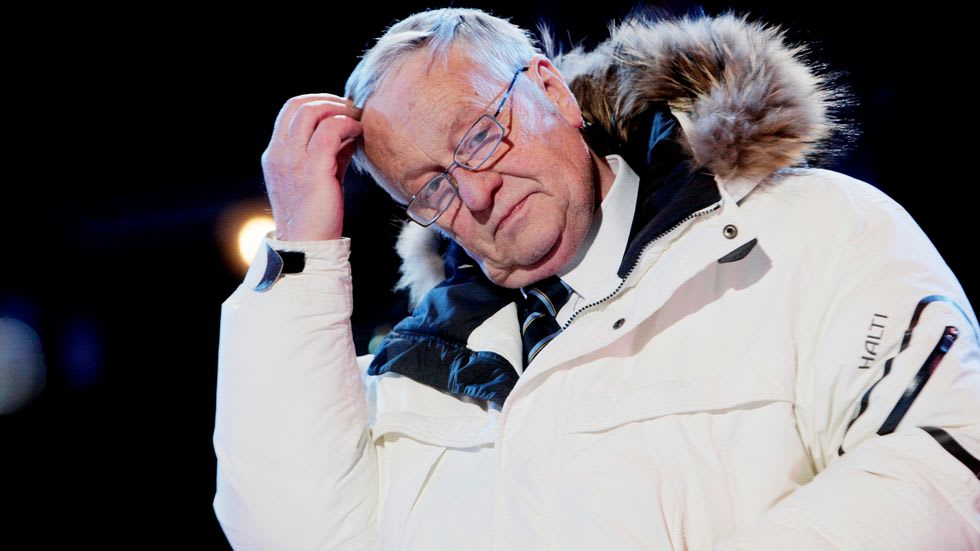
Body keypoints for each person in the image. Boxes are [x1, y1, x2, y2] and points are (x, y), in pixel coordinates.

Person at [213, 7, 980, 550]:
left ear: (551, 91)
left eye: (479, 136)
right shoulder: (411, 377)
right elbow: (286, 534)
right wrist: (300, 249)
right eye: (433, 188)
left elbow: (945, 455)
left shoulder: (807, 229)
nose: (474, 191)